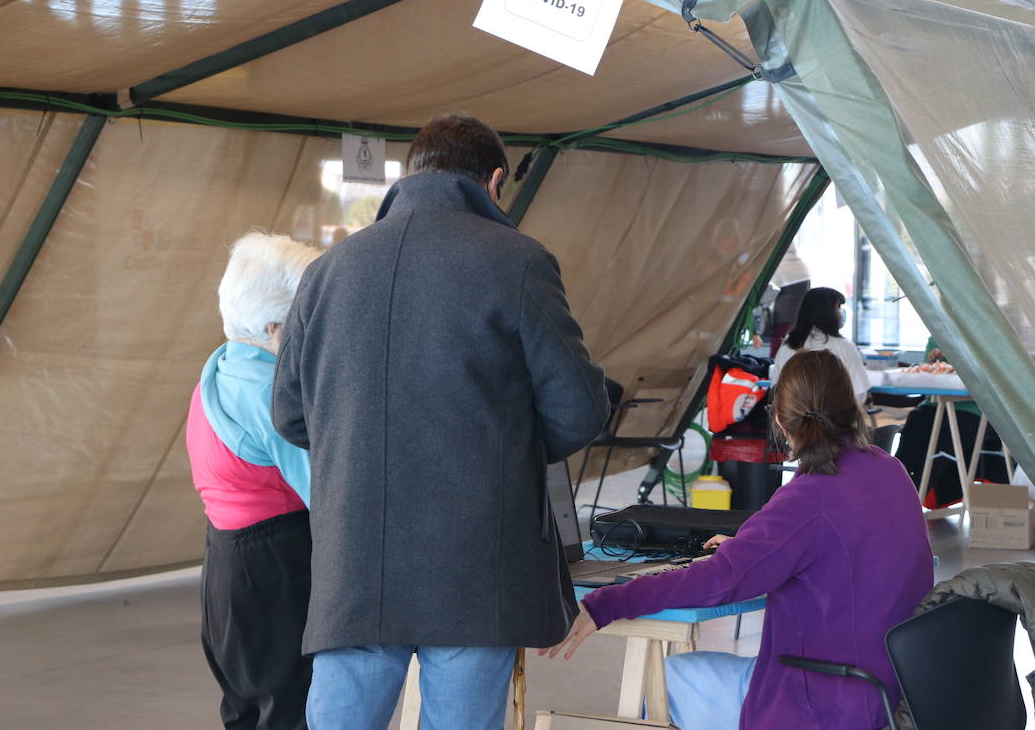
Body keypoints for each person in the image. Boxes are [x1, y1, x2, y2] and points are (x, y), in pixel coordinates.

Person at [272, 113, 610, 729]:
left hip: (354, 564)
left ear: (409, 175)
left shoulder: (326, 271)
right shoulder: (519, 261)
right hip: (474, 565)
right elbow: (579, 410)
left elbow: (291, 416)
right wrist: (503, 449)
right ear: (496, 180)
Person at [542, 350, 934, 729]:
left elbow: (722, 580)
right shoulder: (888, 470)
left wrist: (607, 602)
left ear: (780, 420)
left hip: (826, 702)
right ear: (851, 407)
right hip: (891, 690)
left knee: (670, 677)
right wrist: (745, 548)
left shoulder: (810, 496)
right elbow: (831, 547)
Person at [185, 231, 322, 730]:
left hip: (228, 571)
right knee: (289, 715)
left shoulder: (220, 368)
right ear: (274, 328)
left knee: (252, 713)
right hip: (275, 573)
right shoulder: (273, 393)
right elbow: (332, 500)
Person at [892, 338, 1008, 508]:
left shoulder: (984, 336)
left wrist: (957, 356)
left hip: (970, 409)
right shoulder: (936, 338)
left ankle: (907, 506)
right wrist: (932, 363)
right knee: (914, 425)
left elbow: (992, 375)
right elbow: (929, 374)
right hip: (934, 405)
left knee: (934, 455)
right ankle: (890, 493)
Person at [771, 286, 870, 404]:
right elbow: (859, 394)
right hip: (835, 419)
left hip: (792, 417)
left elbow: (776, 388)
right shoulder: (844, 347)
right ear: (826, 313)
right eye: (838, 308)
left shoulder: (788, 345)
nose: (841, 314)